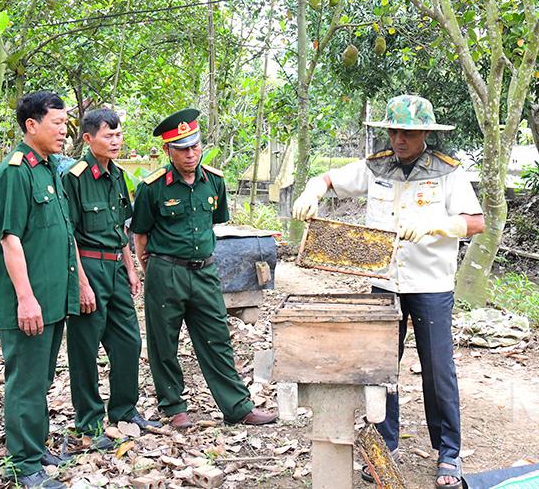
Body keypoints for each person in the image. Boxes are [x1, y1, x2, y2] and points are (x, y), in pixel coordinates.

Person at [292, 94, 485, 489]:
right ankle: (386, 442)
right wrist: (312, 191)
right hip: (385, 281)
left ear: (425, 134)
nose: (399, 139)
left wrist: (436, 226)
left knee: (438, 369)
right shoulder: (375, 167)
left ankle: (449, 452)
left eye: (408, 133)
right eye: (393, 131)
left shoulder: (447, 172)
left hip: (431, 283)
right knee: (381, 367)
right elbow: (328, 179)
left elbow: (475, 221)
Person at [130, 108, 277, 430]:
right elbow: (140, 234)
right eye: (182, 148)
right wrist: (149, 269)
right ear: (168, 151)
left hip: (206, 273)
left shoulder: (215, 181)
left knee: (217, 339)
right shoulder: (152, 187)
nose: (191, 154)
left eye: (195, 146)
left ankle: (237, 407)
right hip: (166, 272)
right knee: (163, 342)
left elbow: (213, 224)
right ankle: (174, 406)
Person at [0, 91, 95, 489]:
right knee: (27, 381)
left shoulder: (49, 169)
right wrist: (25, 298)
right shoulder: (14, 172)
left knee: (43, 378)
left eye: (66, 124)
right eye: (57, 124)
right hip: (30, 302)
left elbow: (65, 235)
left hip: (54, 297)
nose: (64, 132)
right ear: (31, 126)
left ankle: (34, 448)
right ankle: (22, 463)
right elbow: (10, 239)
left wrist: (80, 282)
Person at [62, 108, 160, 446]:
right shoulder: (74, 177)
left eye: (118, 135)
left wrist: (131, 268)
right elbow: (69, 234)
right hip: (87, 266)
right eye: (108, 135)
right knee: (85, 346)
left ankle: (124, 410)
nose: (116, 141)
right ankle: (88, 421)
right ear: (88, 139)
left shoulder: (118, 175)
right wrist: (81, 283)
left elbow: (122, 228)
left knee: (129, 340)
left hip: (116, 268)